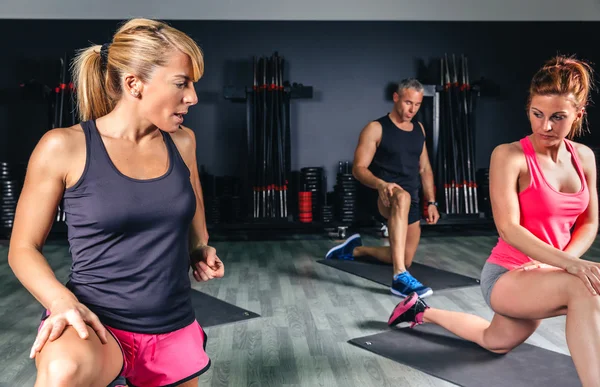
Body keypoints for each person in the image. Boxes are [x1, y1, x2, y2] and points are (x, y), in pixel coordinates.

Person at [7, 18, 224, 387]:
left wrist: (200, 248)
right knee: (64, 373)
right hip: (95, 322)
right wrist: (61, 302)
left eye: (193, 85)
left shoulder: (183, 142)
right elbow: (23, 249)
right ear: (134, 84)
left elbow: (193, 211)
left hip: (171, 325)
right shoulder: (64, 146)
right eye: (181, 83)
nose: (193, 97)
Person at [388, 56, 599, 386]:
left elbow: (589, 222)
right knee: (584, 287)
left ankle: (419, 310)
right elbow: (508, 229)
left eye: (558, 117)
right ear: (528, 109)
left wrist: (564, 263)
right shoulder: (510, 155)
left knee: (494, 340)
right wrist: (568, 267)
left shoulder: (583, 157)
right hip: (509, 275)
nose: (545, 126)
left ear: (577, 115)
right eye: (537, 114)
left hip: (548, 273)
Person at [325, 78, 440, 298]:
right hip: (383, 195)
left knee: (405, 256)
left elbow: (424, 168)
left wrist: (432, 201)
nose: (412, 109)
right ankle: (399, 278)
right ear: (396, 98)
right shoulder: (376, 128)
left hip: (412, 199)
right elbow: (358, 168)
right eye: (408, 103)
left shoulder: (419, 129)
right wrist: (381, 184)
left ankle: (355, 250)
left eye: (417, 105)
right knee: (402, 197)